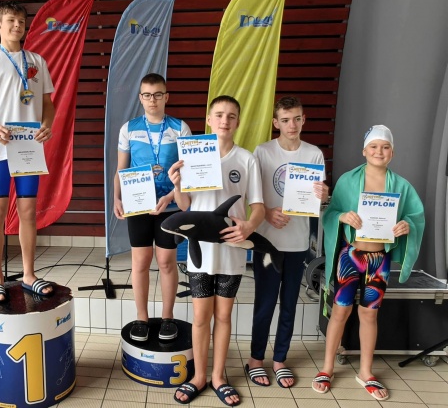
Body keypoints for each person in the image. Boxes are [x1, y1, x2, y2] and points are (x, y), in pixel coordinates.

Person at [311, 125, 425, 400]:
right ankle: (327, 368)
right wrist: (342, 217)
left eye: (385, 147)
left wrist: (406, 226)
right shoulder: (348, 181)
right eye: (374, 146)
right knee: (340, 311)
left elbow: (416, 216)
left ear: (392, 152)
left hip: (379, 260)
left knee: (370, 314)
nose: (379, 152)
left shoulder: (401, 186)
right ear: (364, 151)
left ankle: (365, 371)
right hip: (350, 257)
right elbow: (331, 212)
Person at [169, 96, 264, 406]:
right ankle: (199, 376)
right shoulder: (194, 155)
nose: (225, 120)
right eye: (219, 115)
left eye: (231, 116)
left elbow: (258, 206)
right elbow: (185, 206)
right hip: (200, 252)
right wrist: (177, 185)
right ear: (209, 119)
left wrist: (249, 226)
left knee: (223, 316)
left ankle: (219, 376)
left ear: (238, 122)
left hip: (231, 250)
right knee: (200, 317)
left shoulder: (246, 159)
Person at [0, 1, 55, 303]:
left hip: (28, 147)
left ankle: (29, 274)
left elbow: (48, 103)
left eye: (21, 21)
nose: (17, 26)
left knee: (28, 212)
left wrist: (47, 125)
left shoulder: (37, 61)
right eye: (11, 20)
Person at [245, 96, 329, 388]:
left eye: (296, 119)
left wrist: (324, 196)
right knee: (265, 302)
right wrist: (267, 213)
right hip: (267, 242)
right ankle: (256, 359)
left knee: (289, 304)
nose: (291, 125)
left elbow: (317, 200)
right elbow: (251, 192)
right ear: (275, 123)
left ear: (304, 120)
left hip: (297, 242)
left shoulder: (314, 154)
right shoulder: (262, 152)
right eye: (285, 120)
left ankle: (280, 359)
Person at [113, 73, 191, 342]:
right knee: (140, 262)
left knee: (167, 262)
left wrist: (169, 197)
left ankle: (168, 317)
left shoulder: (180, 128)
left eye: (158, 94)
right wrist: (117, 198)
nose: (152, 100)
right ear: (140, 98)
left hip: (170, 206)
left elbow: (187, 173)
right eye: (147, 95)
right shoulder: (129, 128)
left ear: (166, 97)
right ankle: (142, 318)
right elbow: (121, 169)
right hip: (138, 206)